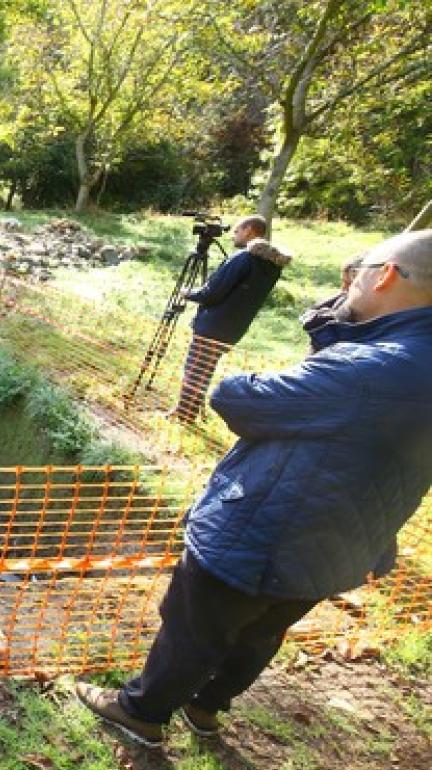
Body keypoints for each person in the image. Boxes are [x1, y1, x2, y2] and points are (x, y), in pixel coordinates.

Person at [76, 229, 432, 748]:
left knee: (192, 629)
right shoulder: (404, 360)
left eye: (359, 273)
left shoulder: (370, 367)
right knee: (262, 632)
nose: (349, 283)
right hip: (344, 543)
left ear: (386, 275)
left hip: (262, 534)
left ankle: (141, 712)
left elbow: (238, 399)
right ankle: (207, 705)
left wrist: (330, 334)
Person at [170, 216, 290, 422]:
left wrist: (187, 293)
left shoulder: (243, 258)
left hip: (212, 325)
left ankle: (183, 414)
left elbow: (212, 293)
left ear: (249, 230)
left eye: (237, 231)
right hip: (233, 329)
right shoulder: (272, 266)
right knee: (204, 369)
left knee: (194, 369)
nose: (234, 236)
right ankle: (190, 410)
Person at [299, 255, 362, 336]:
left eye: (349, 284)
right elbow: (309, 317)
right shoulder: (343, 297)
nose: (343, 288)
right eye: (343, 282)